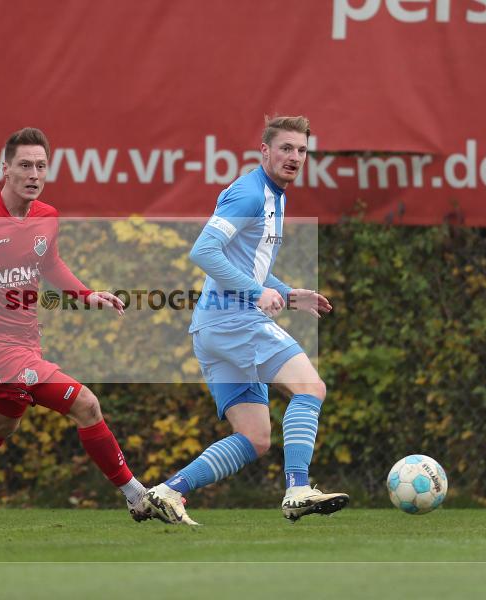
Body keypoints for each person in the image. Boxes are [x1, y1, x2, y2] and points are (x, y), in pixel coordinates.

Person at [0, 127, 150, 525]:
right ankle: (136, 495)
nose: (34, 173)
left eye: (41, 165)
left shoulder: (46, 216)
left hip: (26, 344)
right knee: (86, 404)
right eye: (24, 165)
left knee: (1, 425)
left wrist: (86, 294)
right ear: (4, 169)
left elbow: (50, 264)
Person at [143, 115, 349, 525]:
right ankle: (297, 489)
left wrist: (288, 294)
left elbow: (246, 264)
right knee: (311, 386)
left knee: (255, 438)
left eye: (302, 151)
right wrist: (258, 294)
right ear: (265, 151)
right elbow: (204, 251)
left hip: (213, 328)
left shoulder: (275, 195)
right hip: (233, 322)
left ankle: (167, 492)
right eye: (286, 148)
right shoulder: (251, 193)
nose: (294, 157)